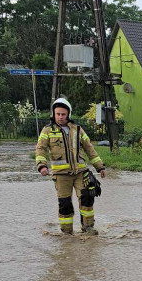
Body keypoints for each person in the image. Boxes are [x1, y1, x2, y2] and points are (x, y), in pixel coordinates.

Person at [35, 97, 106, 235]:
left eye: (63, 114)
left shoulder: (78, 130)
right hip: (61, 176)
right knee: (65, 204)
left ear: (68, 114)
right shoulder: (47, 130)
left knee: (87, 198)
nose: (60, 117)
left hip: (80, 173)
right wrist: (42, 165)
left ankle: (88, 229)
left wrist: (100, 167)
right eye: (58, 114)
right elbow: (40, 149)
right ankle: (67, 234)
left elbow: (89, 149)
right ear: (53, 114)